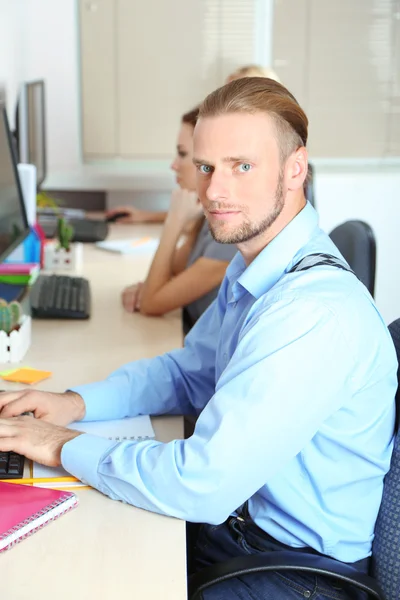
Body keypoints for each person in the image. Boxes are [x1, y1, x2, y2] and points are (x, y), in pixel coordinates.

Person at [0, 78, 397, 600]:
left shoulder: (311, 313)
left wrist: (59, 445)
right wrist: (74, 404)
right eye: (207, 167)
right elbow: (190, 372)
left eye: (242, 166)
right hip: (238, 531)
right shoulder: (257, 265)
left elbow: (201, 484)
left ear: (295, 168)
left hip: (291, 574)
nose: (213, 191)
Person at [120, 107, 236, 332]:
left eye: (183, 154)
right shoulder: (211, 213)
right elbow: (175, 269)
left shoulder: (231, 233)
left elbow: (151, 304)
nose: (174, 165)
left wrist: (173, 222)